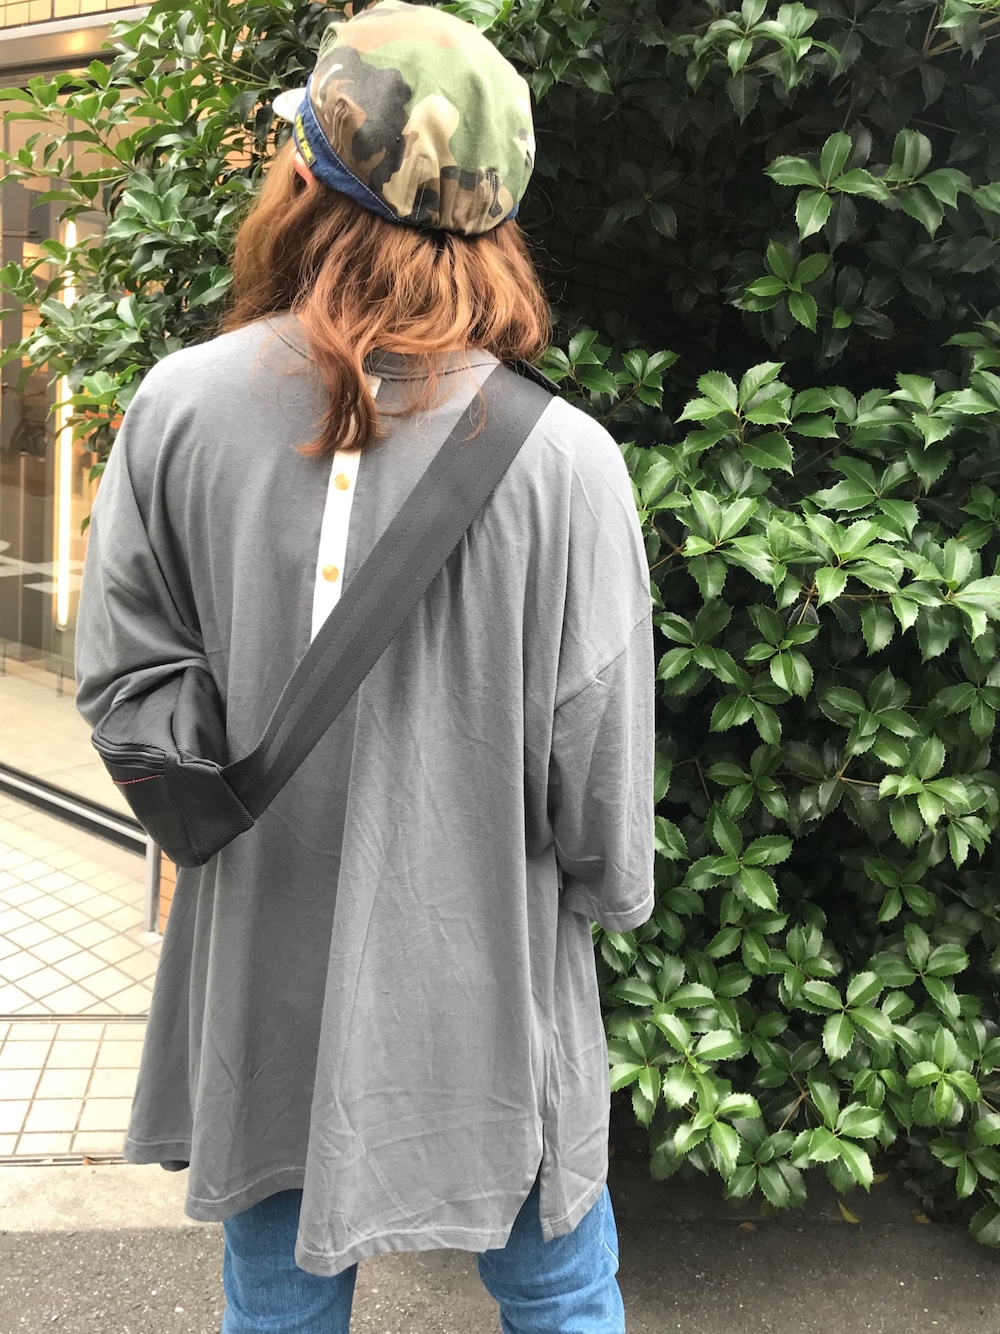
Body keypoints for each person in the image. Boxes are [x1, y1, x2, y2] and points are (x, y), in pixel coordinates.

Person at [74, 2, 654, 1330]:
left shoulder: (178, 408)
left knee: (277, 1308)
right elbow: (602, 797)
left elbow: (129, 688)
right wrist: (587, 892)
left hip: (267, 973)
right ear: (497, 218)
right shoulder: (566, 463)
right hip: (491, 982)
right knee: (562, 1295)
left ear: (304, 177)